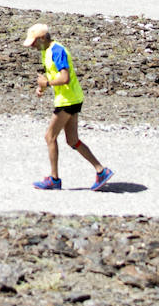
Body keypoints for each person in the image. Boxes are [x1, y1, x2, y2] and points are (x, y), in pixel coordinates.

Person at [23, 22, 113, 191]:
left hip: (67, 100)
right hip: (71, 98)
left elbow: (65, 78)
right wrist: (42, 86)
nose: (32, 46)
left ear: (42, 38)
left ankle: (54, 179)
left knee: (50, 136)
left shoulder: (57, 51)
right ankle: (101, 170)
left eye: (34, 42)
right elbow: (53, 75)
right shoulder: (46, 51)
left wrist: (47, 83)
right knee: (72, 140)